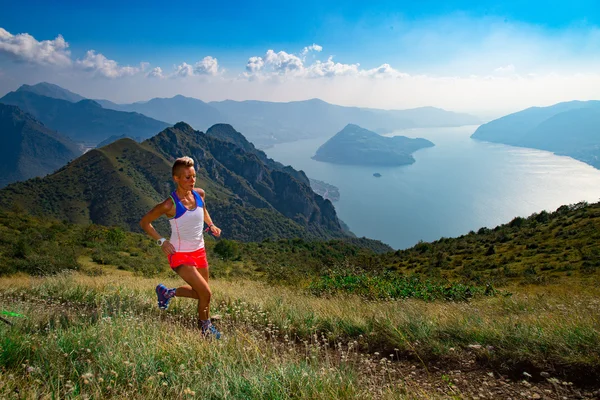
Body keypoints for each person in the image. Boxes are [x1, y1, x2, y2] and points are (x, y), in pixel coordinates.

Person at [140, 156, 222, 339]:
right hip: (180, 254)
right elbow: (145, 223)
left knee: (199, 293)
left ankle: (167, 293)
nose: (192, 181)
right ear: (176, 178)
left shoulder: (199, 194)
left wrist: (211, 225)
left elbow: (203, 210)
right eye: (187, 177)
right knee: (206, 293)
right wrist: (162, 241)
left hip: (199, 251)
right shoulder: (169, 204)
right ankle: (205, 329)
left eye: (193, 176)